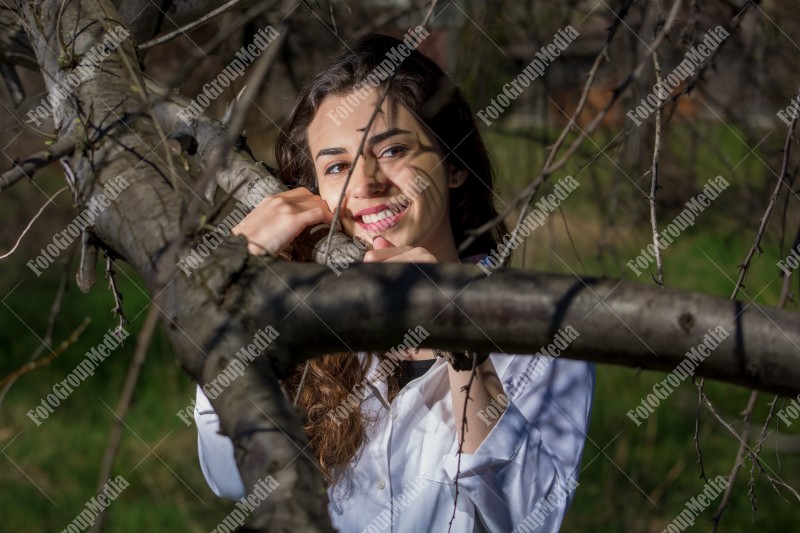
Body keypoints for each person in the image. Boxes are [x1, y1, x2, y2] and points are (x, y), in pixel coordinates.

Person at [194, 33, 595, 532]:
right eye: (338, 165)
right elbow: (231, 474)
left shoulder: (541, 328)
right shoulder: (307, 316)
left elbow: (528, 519)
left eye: (392, 150)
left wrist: (458, 338)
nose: (365, 183)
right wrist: (235, 285)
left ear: (452, 166)